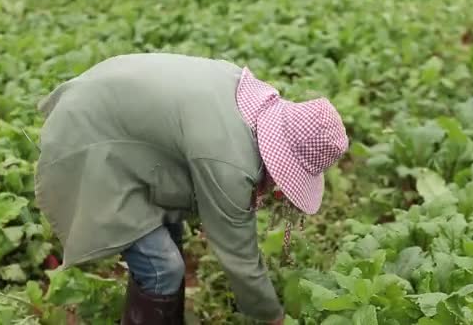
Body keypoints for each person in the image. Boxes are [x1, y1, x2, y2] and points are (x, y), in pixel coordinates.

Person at [34, 53, 349, 324]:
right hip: (89, 139)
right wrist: (273, 315)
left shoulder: (249, 101)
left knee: (166, 245)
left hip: (114, 119)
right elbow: (238, 254)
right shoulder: (229, 158)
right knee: (163, 268)